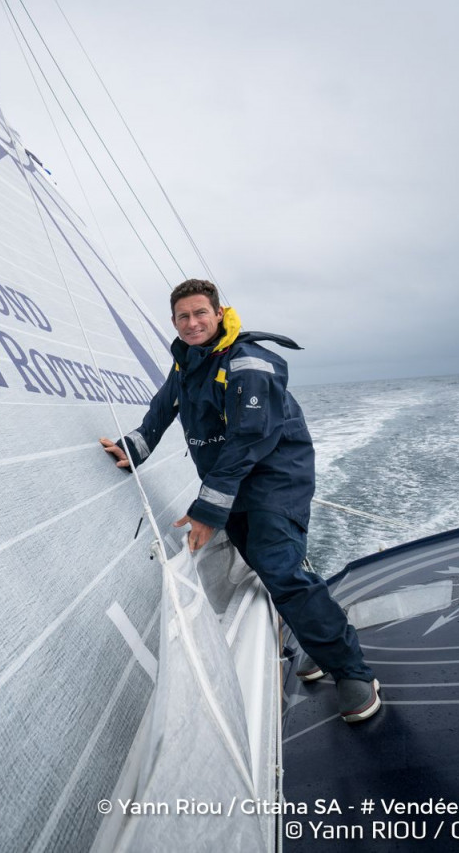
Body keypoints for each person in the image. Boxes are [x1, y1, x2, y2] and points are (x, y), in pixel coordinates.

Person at [99, 279, 380, 724]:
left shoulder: (249, 362)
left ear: (218, 313)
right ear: (174, 322)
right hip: (233, 481)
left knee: (280, 567)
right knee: (271, 571)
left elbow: (250, 437)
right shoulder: (188, 362)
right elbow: (164, 407)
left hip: (274, 480)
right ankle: (321, 642)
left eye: (199, 314)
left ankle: (352, 669)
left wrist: (208, 510)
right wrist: (132, 449)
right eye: (183, 317)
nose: (192, 323)